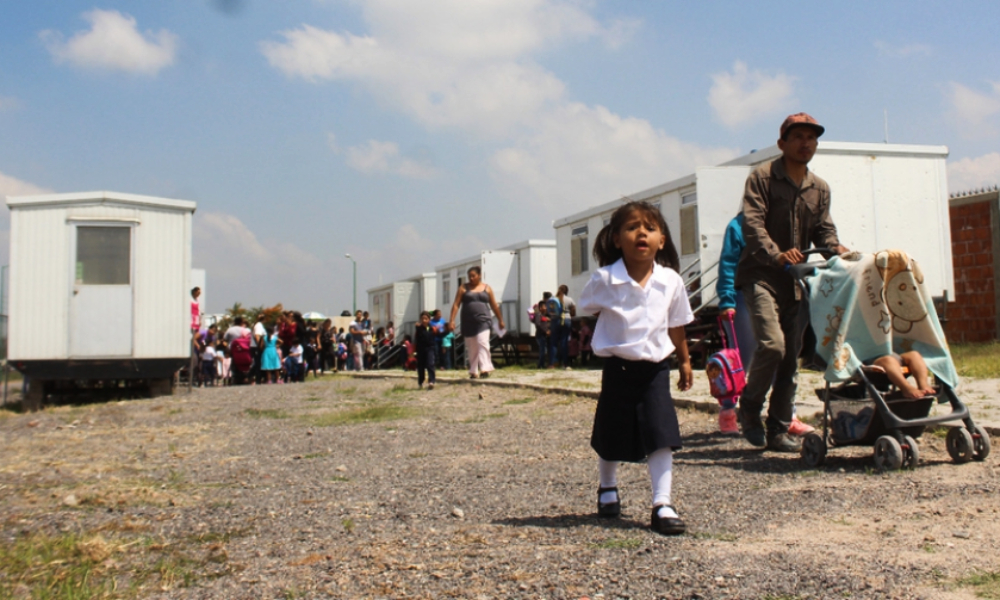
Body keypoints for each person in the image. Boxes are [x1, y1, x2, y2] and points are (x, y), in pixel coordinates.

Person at [578, 199, 694, 536]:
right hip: (618, 368)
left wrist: (685, 360)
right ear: (616, 239)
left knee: (661, 434)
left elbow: (677, 323)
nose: (641, 233)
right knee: (612, 431)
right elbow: (587, 306)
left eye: (650, 227)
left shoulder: (671, 280)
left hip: (656, 368)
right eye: (631, 227)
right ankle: (608, 487)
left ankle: (662, 503)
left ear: (661, 240)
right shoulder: (604, 280)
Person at [735, 113, 849, 453]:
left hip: (797, 283)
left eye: (811, 138)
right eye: (798, 137)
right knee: (773, 346)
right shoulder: (763, 178)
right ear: (782, 143)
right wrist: (777, 254)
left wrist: (837, 249)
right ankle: (750, 408)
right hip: (761, 275)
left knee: (790, 361)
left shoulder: (820, 188)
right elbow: (752, 224)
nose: (805, 143)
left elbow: (824, 229)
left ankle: (778, 430)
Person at [716, 213, 815, 437]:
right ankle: (728, 410)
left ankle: (788, 415)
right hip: (746, 297)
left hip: (784, 295)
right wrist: (726, 299)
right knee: (740, 359)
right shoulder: (738, 225)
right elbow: (728, 262)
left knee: (783, 355)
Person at [448, 266, 506, 379]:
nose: (471, 278)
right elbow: (456, 305)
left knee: (482, 342)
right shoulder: (463, 288)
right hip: (468, 321)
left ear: (479, 275)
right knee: (472, 346)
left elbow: (494, 305)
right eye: (469, 276)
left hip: (484, 321)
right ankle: (473, 370)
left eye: (473, 276)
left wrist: (500, 320)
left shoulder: (487, 288)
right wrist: (452, 320)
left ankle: (485, 368)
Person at [865, 352, 936, 399]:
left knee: (914, 354)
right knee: (888, 360)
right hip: (871, 359)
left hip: (890, 352)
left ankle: (923, 385)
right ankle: (906, 387)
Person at [550, 284, 576, 369]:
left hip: (555, 320)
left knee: (554, 342)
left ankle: (553, 364)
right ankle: (565, 363)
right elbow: (573, 313)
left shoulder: (553, 299)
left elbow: (550, 312)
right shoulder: (570, 299)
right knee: (564, 342)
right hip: (567, 320)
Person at [414, 311, 437, 389]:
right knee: (421, 366)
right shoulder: (419, 328)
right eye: (422, 319)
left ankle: (431, 381)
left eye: (426, 319)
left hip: (430, 348)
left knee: (430, 364)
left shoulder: (432, 328)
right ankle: (421, 382)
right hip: (421, 349)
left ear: (429, 320)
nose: (424, 320)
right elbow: (416, 340)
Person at [532, 293, 552, 368]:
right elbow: (538, 324)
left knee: (544, 350)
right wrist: (545, 331)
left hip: (544, 335)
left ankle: (542, 364)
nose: (546, 308)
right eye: (544, 306)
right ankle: (541, 365)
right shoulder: (538, 313)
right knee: (542, 350)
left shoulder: (545, 314)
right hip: (540, 335)